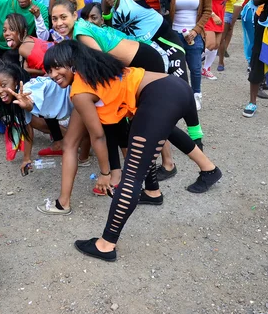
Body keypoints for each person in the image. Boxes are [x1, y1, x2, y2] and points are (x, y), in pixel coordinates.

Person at [42, 40, 221, 261]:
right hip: (175, 88)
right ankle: (162, 189)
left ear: (71, 63)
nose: (52, 74)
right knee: (150, 138)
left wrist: (106, 173)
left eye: (56, 67)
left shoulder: (79, 90)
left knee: (131, 175)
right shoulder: (98, 69)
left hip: (160, 96)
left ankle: (105, 245)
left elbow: (97, 135)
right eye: (48, 70)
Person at [169, 0, 212, 110]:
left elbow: (207, 10)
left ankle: (196, 95)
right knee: (176, 68)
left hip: (194, 34)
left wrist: (196, 30)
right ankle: (179, 96)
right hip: (175, 33)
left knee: (195, 68)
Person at [201, 0, 228, 80]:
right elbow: (202, 3)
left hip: (220, 17)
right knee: (210, 44)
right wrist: (212, 15)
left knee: (216, 45)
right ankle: (192, 59)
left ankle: (206, 69)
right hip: (210, 17)